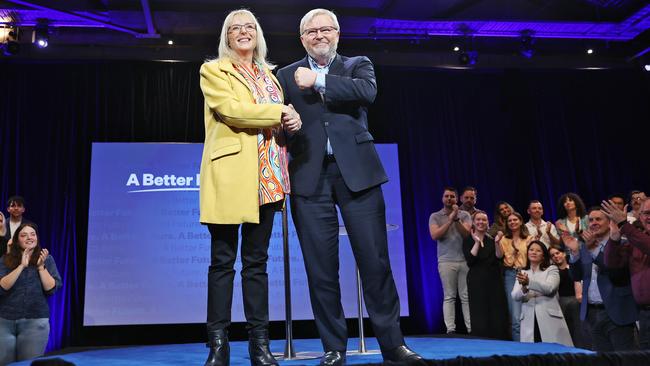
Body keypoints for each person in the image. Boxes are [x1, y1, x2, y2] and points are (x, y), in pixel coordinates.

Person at [276, 8, 423, 365]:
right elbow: (276, 126)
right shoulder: (283, 75)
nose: (319, 36)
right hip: (309, 177)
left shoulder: (358, 64)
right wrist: (286, 124)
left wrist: (318, 81)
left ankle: (393, 346)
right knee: (320, 268)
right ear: (302, 39)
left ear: (338, 34)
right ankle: (333, 349)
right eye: (312, 32)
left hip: (358, 176)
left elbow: (366, 93)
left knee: (375, 263)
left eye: (326, 29)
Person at [198, 9, 302, 366]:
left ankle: (260, 346)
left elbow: (284, 121)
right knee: (222, 262)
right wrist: (279, 112)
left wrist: (294, 118)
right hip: (230, 175)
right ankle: (218, 345)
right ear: (227, 38)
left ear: (257, 35)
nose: (243, 32)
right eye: (235, 28)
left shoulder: (272, 76)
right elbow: (232, 110)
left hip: (268, 178)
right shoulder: (214, 70)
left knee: (256, 265)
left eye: (249, 27)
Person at [565, 207, 638, 351]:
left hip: (616, 312)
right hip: (592, 313)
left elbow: (614, 269)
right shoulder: (585, 247)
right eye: (591, 220)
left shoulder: (621, 244)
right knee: (602, 360)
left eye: (598, 219)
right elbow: (576, 276)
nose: (593, 223)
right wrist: (574, 253)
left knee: (625, 359)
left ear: (610, 222)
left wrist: (593, 250)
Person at [0, 223, 62, 364]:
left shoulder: (47, 259)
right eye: (24, 235)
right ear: (17, 240)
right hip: (4, 322)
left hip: (35, 322)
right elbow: (2, 287)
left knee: (29, 364)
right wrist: (21, 265)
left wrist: (41, 267)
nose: (29, 237)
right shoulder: (5, 260)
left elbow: (51, 289)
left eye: (33, 234)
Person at [602, 198, 650, 349]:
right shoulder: (636, 240)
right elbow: (612, 263)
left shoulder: (638, 238)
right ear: (639, 216)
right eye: (646, 213)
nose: (649, 217)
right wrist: (614, 238)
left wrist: (624, 225)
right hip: (645, 314)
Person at [511, 241, 573, 346]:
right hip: (528, 320)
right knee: (532, 356)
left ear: (543, 256)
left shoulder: (552, 269)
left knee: (554, 354)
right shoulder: (522, 273)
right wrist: (525, 289)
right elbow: (515, 295)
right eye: (531, 250)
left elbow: (550, 288)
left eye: (538, 250)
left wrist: (529, 283)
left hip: (549, 318)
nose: (534, 252)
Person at [429, 187, 472, 335]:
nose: (449, 199)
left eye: (452, 196)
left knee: (465, 296)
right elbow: (435, 235)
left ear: (456, 199)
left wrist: (456, 218)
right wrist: (450, 219)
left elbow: (467, 235)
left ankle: (471, 329)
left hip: (464, 260)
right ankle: (450, 329)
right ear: (442, 198)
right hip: (446, 261)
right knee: (449, 296)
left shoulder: (465, 215)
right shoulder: (435, 216)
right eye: (446, 196)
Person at [462, 211, 510, 340]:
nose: (481, 222)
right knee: (479, 311)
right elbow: (470, 260)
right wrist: (477, 243)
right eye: (478, 220)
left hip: (493, 279)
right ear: (473, 222)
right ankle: (480, 340)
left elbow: (499, 256)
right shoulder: (468, 240)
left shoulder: (491, 239)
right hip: (476, 280)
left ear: (487, 223)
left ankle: (498, 340)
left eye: (484, 220)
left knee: (496, 310)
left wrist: (497, 243)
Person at [496, 212, 532, 341]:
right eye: (510, 221)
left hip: (527, 273)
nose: (512, 222)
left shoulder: (529, 238)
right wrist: (497, 242)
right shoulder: (504, 239)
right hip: (511, 274)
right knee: (515, 315)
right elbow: (499, 256)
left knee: (529, 312)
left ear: (521, 221)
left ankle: (530, 345)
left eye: (515, 220)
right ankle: (519, 349)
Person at [549, 245, 586, 348]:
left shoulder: (574, 267)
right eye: (552, 255)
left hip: (577, 300)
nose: (556, 256)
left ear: (564, 253)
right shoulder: (552, 272)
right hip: (561, 302)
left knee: (579, 329)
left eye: (558, 253)